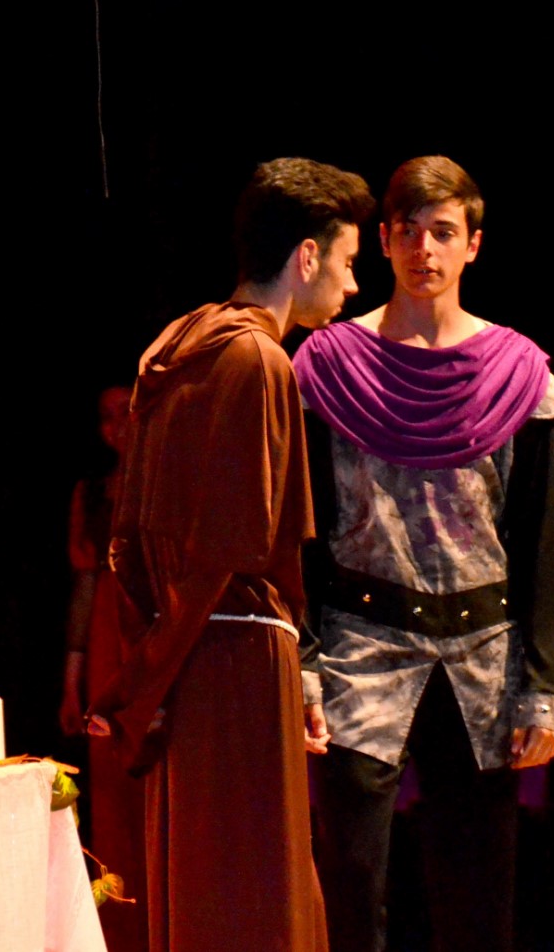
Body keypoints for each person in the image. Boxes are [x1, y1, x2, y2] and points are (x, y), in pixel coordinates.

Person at [87, 156, 376, 952]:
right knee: (257, 883)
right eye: (348, 261)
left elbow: (135, 540)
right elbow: (232, 549)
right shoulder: (256, 360)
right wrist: (147, 680)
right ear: (307, 256)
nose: (352, 286)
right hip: (238, 658)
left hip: (189, 650)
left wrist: (150, 667)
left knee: (208, 875)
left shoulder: (176, 349)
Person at [293, 155, 554, 952]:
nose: (425, 250)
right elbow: (300, 526)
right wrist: (303, 658)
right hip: (359, 647)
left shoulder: (516, 372)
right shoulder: (331, 368)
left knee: (478, 894)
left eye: (443, 232)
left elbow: (541, 537)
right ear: (383, 239)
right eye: (409, 231)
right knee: (352, 885)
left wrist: (547, 682)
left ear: (473, 244)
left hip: (482, 655)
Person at [59, 383, 149, 952]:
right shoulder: (92, 493)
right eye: (106, 415)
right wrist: (71, 687)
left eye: (127, 410)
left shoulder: (171, 482)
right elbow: (85, 590)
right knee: (112, 791)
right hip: (107, 643)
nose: (117, 423)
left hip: (158, 633)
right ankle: (123, 930)